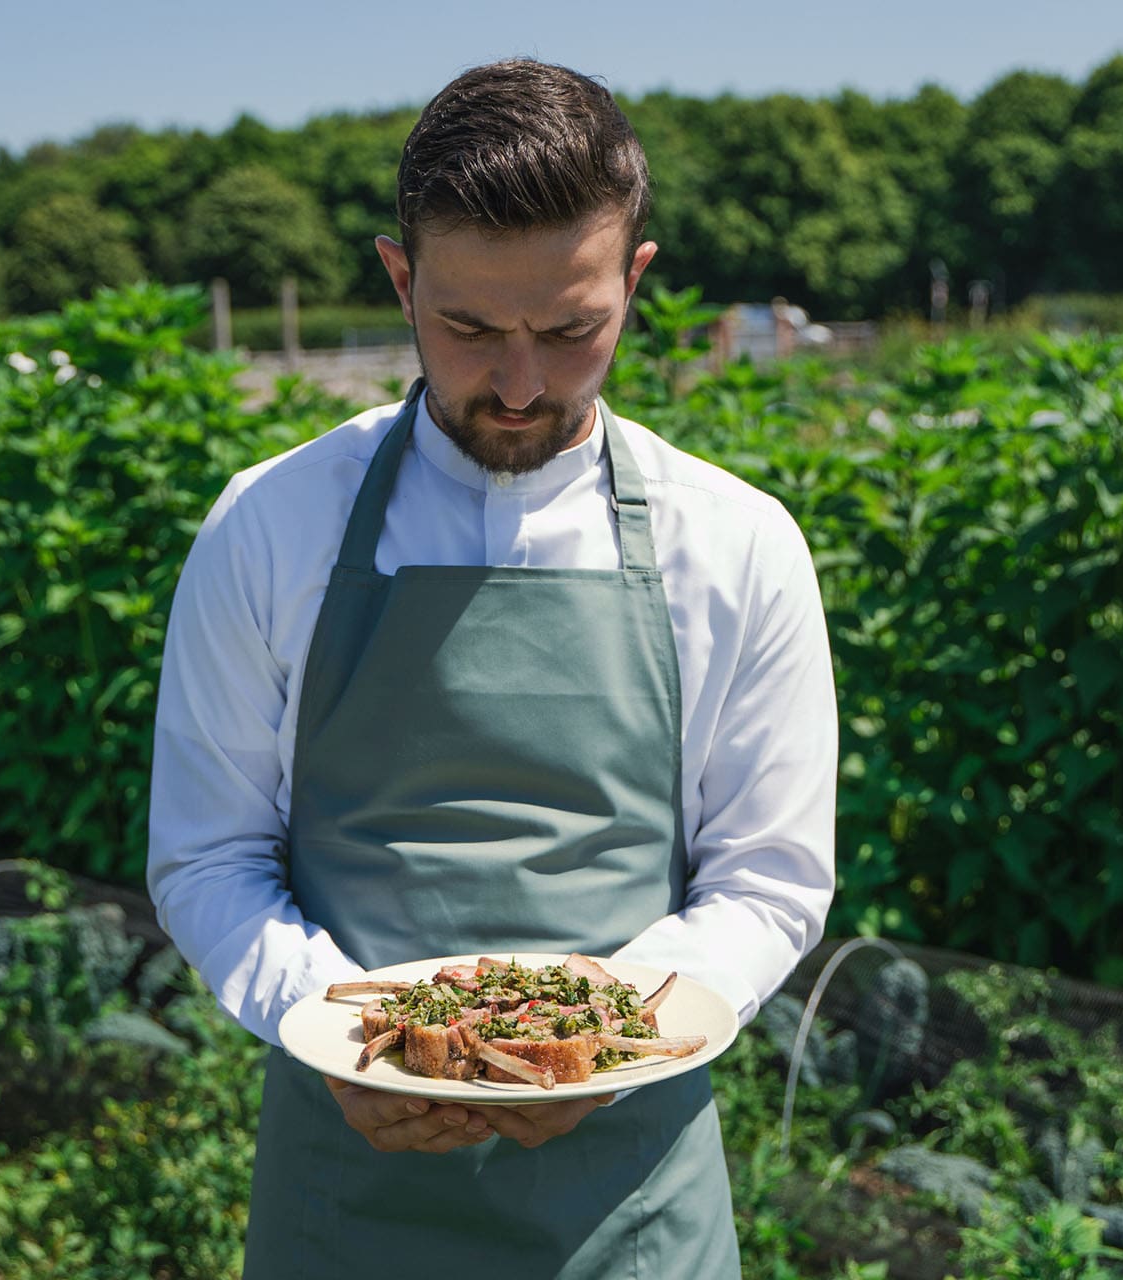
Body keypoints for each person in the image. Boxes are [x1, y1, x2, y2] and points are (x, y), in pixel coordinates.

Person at [146, 58, 837, 1280]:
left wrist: (606, 1041)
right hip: (344, 1192)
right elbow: (210, 854)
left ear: (634, 279)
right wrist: (352, 1036)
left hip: (632, 1205)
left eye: (573, 330)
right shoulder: (270, 524)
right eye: (469, 328)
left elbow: (769, 875)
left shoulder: (735, 541)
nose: (520, 384)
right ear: (401, 278)